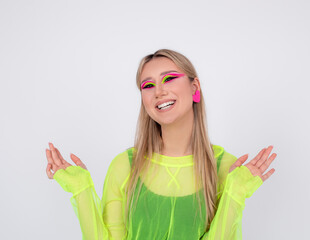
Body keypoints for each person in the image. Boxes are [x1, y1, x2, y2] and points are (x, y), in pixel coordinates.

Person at [45, 49, 276, 240]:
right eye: (148, 85)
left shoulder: (226, 168)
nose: (159, 91)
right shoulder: (125, 166)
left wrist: (235, 194)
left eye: (169, 79)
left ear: (194, 87)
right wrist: (82, 190)